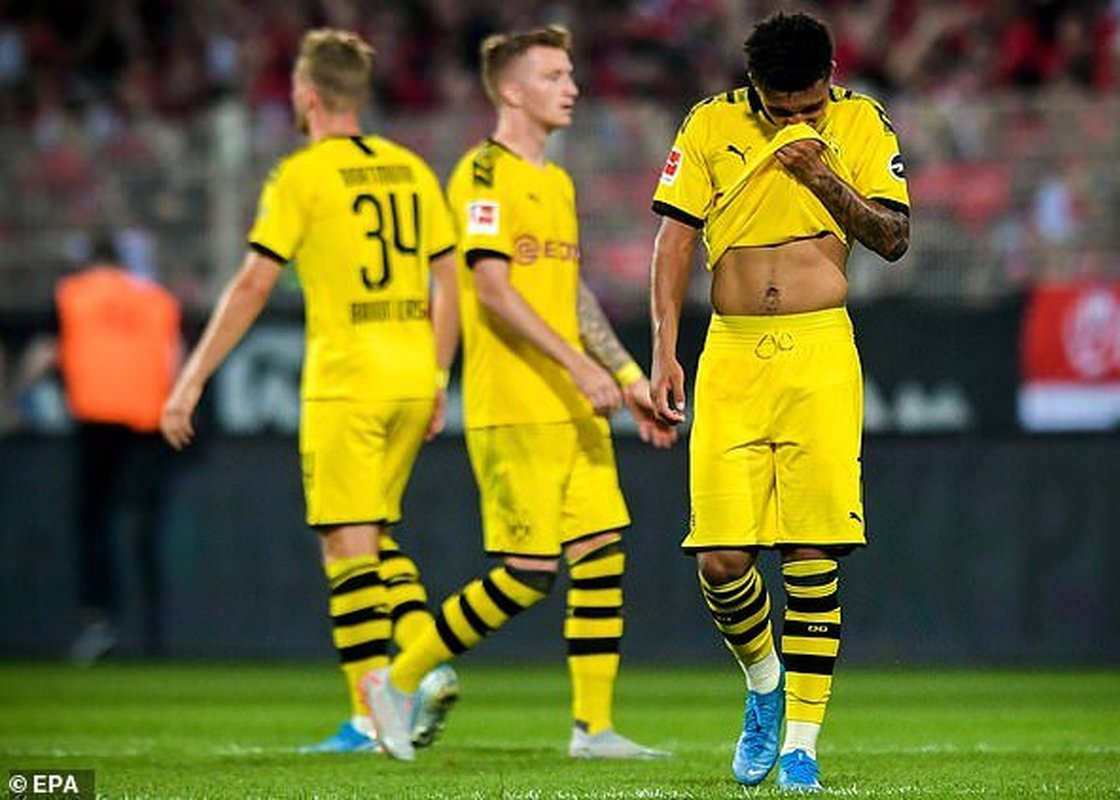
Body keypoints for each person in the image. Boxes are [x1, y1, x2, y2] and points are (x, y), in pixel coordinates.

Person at [359, 24, 676, 763]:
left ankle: (593, 729)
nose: (572, 87)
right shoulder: (481, 174)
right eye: (553, 75)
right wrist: (578, 367)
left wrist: (626, 376)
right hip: (516, 401)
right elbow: (492, 291)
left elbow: (572, 293)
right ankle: (394, 683)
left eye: (570, 73)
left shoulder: (555, 182)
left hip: (573, 403)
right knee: (528, 573)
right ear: (510, 89)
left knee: (600, 553)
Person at [159, 29, 462, 754]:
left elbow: (253, 284)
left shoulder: (302, 176)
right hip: (409, 373)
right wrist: (436, 375)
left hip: (347, 380)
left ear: (307, 95)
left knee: (345, 543)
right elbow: (449, 281)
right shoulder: (411, 168)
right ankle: (423, 656)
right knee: (373, 534)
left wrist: (191, 377)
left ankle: (374, 714)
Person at [648, 11, 911, 792]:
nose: (796, 121)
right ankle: (764, 682)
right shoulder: (710, 123)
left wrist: (819, 175)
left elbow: (894, 238)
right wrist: (663, 349)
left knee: (811, 550)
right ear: (753, 87)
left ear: (831, 78)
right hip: (730, 350)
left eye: (809, 107)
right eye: (779, 109)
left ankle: (801, 744)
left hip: (820, 349)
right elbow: (673, 239)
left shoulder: (861, 122)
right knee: (721, 556)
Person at [48, 235, 182, 665]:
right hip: (149, 422)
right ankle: (155, 629)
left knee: (94, 520)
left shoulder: (72, 294)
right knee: (146, 526)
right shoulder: (157, 300)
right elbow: (175, 359)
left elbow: (46, 351)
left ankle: (100, 620)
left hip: (96, 417)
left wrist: (14, 398)